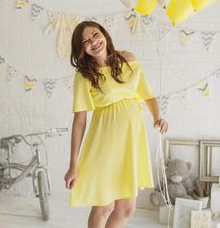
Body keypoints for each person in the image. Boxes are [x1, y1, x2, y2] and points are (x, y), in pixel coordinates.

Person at [64, 20, 168, 228]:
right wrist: (73, 165)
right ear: (81, 49)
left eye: (94, 35)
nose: (93, 42)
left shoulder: (128, 59)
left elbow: (147, 94)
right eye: (85, 41)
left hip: (131, 141)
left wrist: (157, 117)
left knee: (127, 208)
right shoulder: (84, 75)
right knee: (104, 207)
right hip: (104, 143)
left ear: (104, 33)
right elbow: (79, 120)